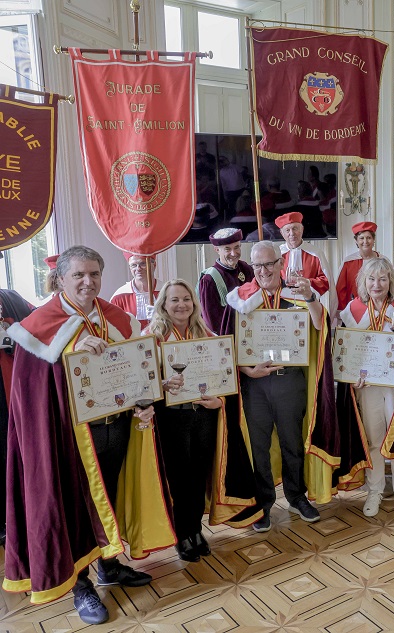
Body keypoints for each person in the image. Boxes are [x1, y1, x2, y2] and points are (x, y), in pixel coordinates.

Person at [4, 246, 174, 624]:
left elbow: (135, 370)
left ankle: (109, 566)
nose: (88, 282)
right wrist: (72, 353)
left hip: (117, 428)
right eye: (78, 275)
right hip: (69, 438)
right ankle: (80, 584)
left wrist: (144, 401)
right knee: (74, 507)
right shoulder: (37, 326)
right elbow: (34, 395)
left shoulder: (115, 317)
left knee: (110, 495)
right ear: (61, 279)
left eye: (94, 274)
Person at [224, 241, 359, 532]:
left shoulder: (298, 294)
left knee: (292, 442)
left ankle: (296, 496)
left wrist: (311, 297)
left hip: (290, 382)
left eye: (269, 264)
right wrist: (246, 369)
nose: (263, 271)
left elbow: (321, 325)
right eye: (257, 265)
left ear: (281, 263)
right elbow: (228, 345)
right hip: (255, 385)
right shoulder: (239, 298)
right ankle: (263, 504)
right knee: (258, 447)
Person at [146, 280, 261, 561]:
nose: (181, 305)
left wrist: (220, 401)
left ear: (194, 303)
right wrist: (163, 384)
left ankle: (195, 529)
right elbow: (142, 383)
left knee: (198, 475)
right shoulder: (151, 338)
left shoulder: (205, 333)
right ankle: (181, 533)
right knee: (179, 478)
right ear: (163, 305)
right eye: (174, 300)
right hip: (171, 419)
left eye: (186, 299)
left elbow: (223, 376)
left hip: (203, 415)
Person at [338, 257, 394, 517]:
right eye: (371, 279)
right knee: (374, 438)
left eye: (383, 279)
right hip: (367, 384)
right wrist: (351, 377)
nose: (377, 284)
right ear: (363, 282)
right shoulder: (352, 310)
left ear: (390, 282)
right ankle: (375, 490)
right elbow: (346, 350)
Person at [0, 288, 33, 547]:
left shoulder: (11, 298)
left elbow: (39, 323)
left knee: (19, 459)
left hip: (19, 397)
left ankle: (22, 517)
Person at [275, 211, 335, 314]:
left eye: (295, 228)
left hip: (310, 303)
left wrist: (307, 283)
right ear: (282, 233)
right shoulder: (277, 255)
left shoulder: (316, 253)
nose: (292, 234)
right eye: (287, 230)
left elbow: (326, 281)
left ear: (302, 229)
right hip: (282, 304)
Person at [198, 228, 254, 335]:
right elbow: (211, 322)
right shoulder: (209, 279)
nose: (233, 253)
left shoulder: (246, 269)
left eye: (236, 247)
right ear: (217, 250)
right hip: (226, 337)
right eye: (227, 249)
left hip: (250, 332)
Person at [336, 221, 381, 309]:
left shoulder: (382, 261)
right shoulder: (348, 262)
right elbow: (340, 290)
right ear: (356, 241)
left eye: (369, 238)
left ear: (373, 240)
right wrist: (342, 312)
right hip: (354, 309)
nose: (365, 241)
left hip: (378, 308)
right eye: (361, 238)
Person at [110, 252, 160, 328]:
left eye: (143, 264)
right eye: (133, 265)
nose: (138, 269)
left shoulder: (167, 291)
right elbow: (113, 327)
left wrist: (161, 316)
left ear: (154, 265)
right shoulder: (119, 296)